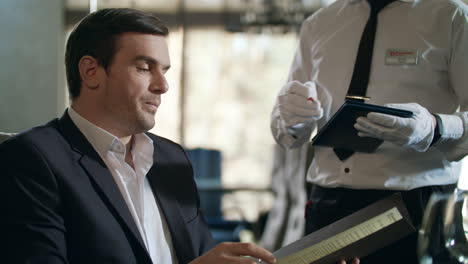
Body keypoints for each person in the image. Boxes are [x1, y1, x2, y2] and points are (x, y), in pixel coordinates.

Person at [0, 8, 277, 264]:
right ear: (91, 72)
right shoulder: (29, 159)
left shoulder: (172, 159)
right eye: (145, 68)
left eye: (164, 70)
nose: (163, 85)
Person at [271, 0, 467, 263]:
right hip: (327, 205)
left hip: (415, 208)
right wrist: (292, 120)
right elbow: (285, 129)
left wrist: (434, 127)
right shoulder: (318, 23)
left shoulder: (452, 16)